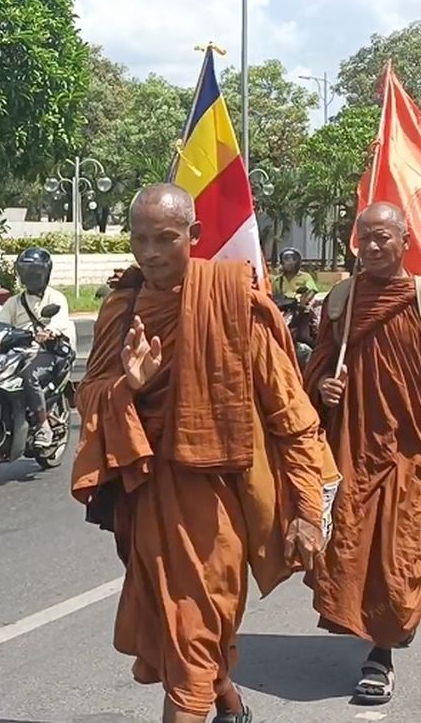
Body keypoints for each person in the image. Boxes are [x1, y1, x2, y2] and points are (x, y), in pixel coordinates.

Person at [70, 184, 339, 723]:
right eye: (140, 240)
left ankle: (203, 702)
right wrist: (129, 384)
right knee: (179, 626)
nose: (150, 253)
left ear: (193, 236)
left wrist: (310, 510)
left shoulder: (234, 304)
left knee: (194, 627)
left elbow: (292, 416)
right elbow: (90, 395)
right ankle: (230, 703)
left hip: (219, 503)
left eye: (165, 239)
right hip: (148, 498)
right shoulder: (122, 309)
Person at [301, 202, 421, 706]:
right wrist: (324, 390)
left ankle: (382, 654)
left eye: (383, 238)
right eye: (365, 239)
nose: (373, 247)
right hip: (351, 451)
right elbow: (312, 376)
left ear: (405, 240)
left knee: (398, 555)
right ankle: (373, 630)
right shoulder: (342, 301)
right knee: (350, 547)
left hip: (410, 453)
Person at [0, 247, 76, 447]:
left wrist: (49, 331)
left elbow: (60, 320)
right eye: (26, 272)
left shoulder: (56, 298)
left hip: (50, 351)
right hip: (20, 352)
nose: (30, 276)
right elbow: (0, 324)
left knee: (29, 376)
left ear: (45, 273)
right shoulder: (15, 302)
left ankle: (43, 426)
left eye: (35, 272)